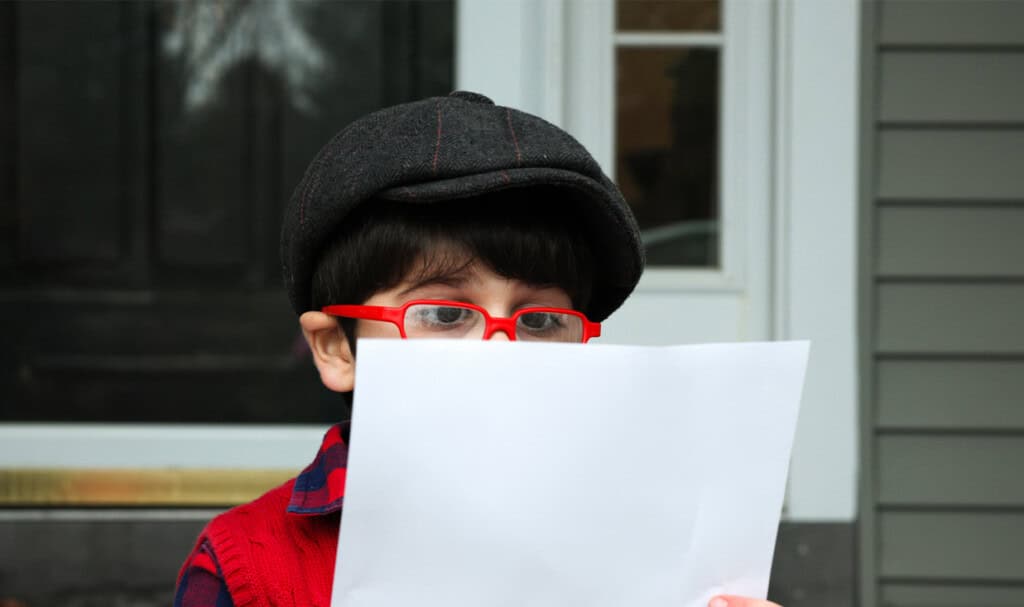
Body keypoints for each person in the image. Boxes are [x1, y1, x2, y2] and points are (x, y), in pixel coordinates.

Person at [174, 91, 781, 607]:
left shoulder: (669, 555)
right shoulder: (247, 568)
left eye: (541, 321)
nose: (502, 350)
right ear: (338, 349)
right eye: (443, 313)